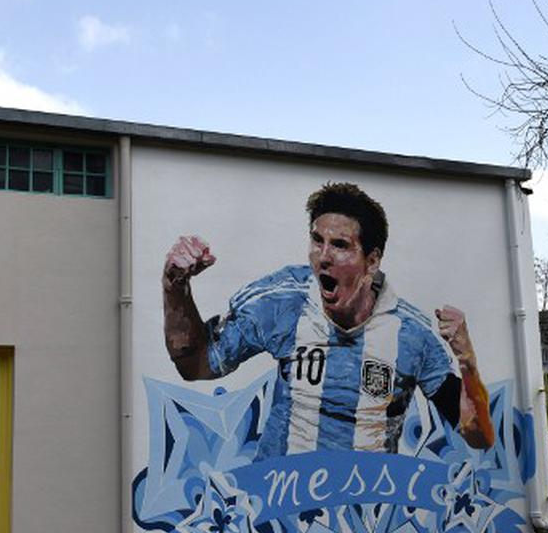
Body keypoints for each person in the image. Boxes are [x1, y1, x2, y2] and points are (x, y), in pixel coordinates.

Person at [162, 182, 494, 459]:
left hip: (367, 520)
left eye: (340, 245)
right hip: (279, 515)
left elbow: (479, 437)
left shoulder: (410, 333)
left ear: (372, 260)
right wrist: (175, 286)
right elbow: (196, 365)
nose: (324, 257)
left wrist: (467, 360)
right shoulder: (283, 302)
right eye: (317, 240)